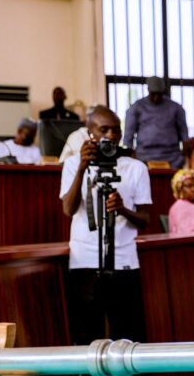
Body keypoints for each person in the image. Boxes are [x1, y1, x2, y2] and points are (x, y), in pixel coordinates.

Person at [60, 105, 152, 345]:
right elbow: (68, 209)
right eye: (104, 129)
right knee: (86, 336)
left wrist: (122, 209)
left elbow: (145, 220)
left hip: (124, 262)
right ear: (90, 134)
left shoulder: (136, 168)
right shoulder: (72, 165)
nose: (111, 135)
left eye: (116, 130)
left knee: (129, 337)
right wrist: (82, 167)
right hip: (85, 261)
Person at [123, 76, 190, 168]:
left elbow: (184, 133)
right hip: (144, 156)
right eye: (153, 94)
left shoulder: (175, 107)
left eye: (159, 94)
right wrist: (130, 155)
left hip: (172, 157)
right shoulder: (137, 107)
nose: (156, 97)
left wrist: (184, 153)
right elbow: (128, 136)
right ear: (148, 90)